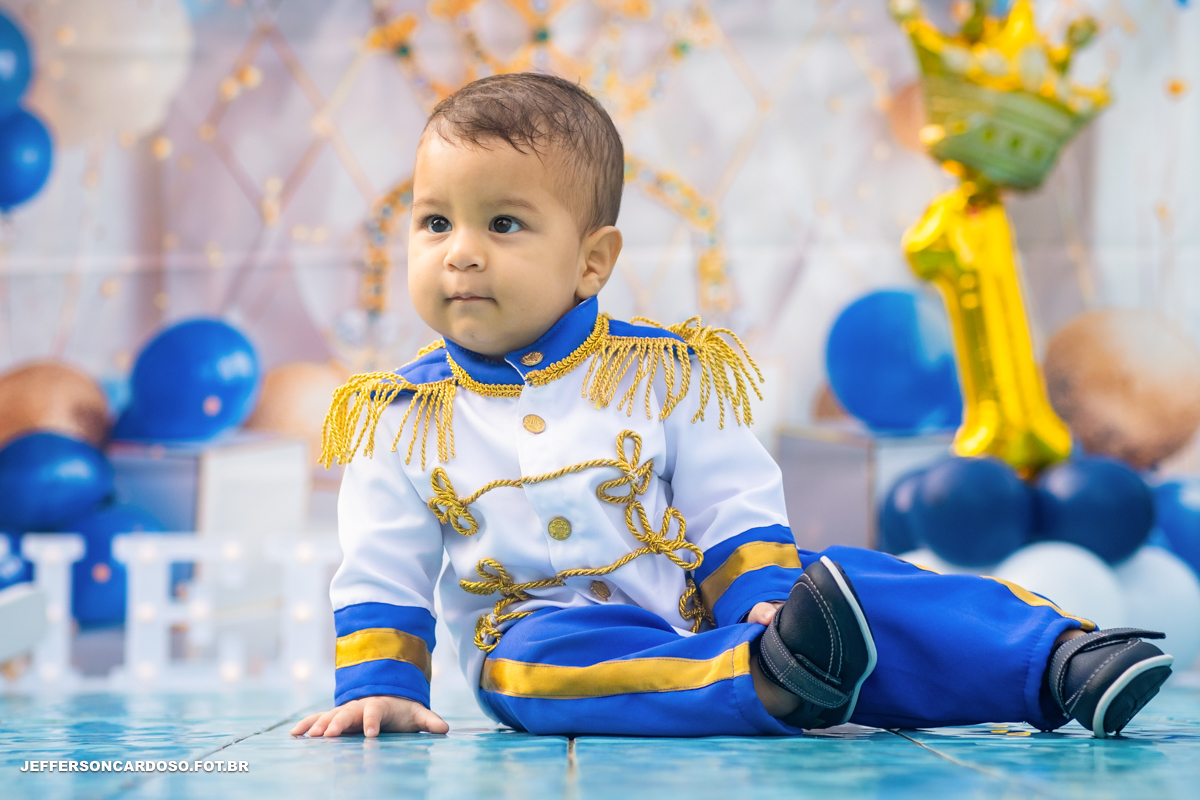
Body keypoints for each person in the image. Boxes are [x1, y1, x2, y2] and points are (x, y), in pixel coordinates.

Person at [291, 73, 1172, 741]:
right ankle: (774, 677)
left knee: (857, 582)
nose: (461, 255)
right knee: (530, 676)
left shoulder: (668, 370)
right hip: (535, 634)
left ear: (593, 262)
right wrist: (384, 685)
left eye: (504, 226)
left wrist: (758, 592)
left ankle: (1055, 663)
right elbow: (382, 561)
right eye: (434, 223)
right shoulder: (398, 414)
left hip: (696, 602)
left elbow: (730, 494)